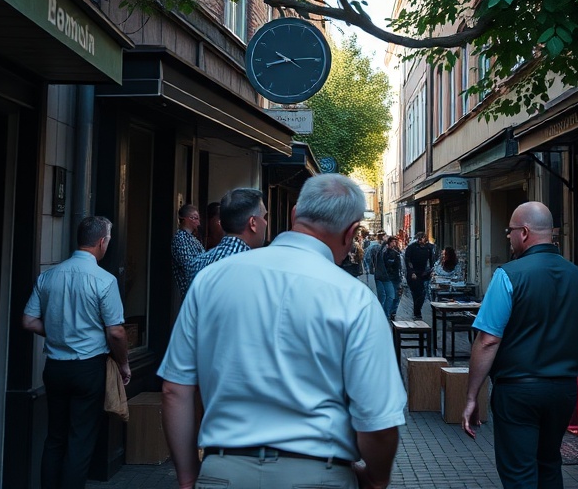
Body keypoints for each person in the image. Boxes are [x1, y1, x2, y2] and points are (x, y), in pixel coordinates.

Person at [158, 174, 406, 489]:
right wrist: (377, 479)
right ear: (352, 232)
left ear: (294, 214)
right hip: (319, 474)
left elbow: (175, 390)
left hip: (224, 470)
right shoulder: (355, 299)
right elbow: (378, 423)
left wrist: (188, 477)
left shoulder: (210, 280)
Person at [461, 201, 578, 489]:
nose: (508, 237)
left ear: (524, 232)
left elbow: (488, 340)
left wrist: (472, 395)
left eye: (510, 231)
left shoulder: (508, 275)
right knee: (549, 464)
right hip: (562, 391)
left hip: (517, 391)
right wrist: (565, 370)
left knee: (519, 473)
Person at [21, 216, 131, 489]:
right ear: (102, 242)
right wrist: (124, 363)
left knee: (55, 437)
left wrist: (59, 331)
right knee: (80, 440)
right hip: (88, 367)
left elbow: (29, 321)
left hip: (55, 367)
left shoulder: (48, 276)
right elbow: (116, 332)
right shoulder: (105, 280)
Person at [188, 188, 267, 282]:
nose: (266, 223)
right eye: (264, 217)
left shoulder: (197, 263)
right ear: (253, 222)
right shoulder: (259, 269)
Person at [171, 203, 203, 298]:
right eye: (195, 218)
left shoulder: (192, 238)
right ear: (186, 219)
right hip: (190, 291)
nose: (198, 223)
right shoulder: (180, 238)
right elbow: (189, 266)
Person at [404, 232, 436, 319]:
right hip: (414, 273)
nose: (423, 240)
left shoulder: (428, 248)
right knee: (417, 293)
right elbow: (408, 260)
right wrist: (412, 272)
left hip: (424, 273)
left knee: (423, 293)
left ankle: (417, 311)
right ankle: (417, 312)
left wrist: (432, 270)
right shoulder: (411, 247)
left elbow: (431, 260)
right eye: (422, 238)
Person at [374, 234, 404, 319]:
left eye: (395, 241)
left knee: (396, 296)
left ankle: (392, 312)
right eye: (392, 242)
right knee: (390, 296)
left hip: (396, 277)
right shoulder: (385, 252)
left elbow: (400, 265)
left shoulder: (397, 252)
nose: (394, 243)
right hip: (389, 277)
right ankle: (386, 314)